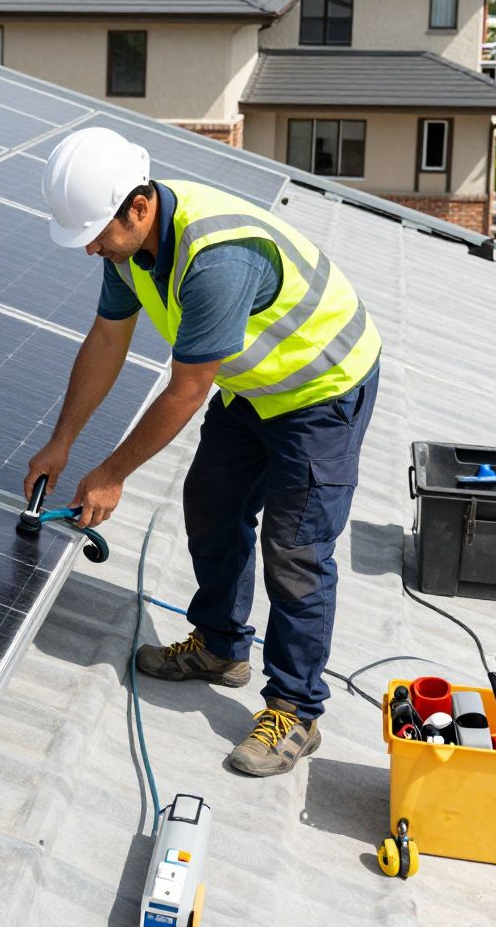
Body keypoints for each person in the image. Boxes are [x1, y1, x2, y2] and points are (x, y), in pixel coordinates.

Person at [23, 126, 380, 777]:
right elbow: (107, 341)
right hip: (255, 389)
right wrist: (63, 442)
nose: (91, 250)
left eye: (96, 234)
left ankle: (295, 710)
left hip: (321, 389)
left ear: (138, 206)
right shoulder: (129, 250)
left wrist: (110, 474)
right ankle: (220, 647)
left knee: (296, 550)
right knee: (211, 506)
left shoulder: (215, 260)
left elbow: (186, 390)